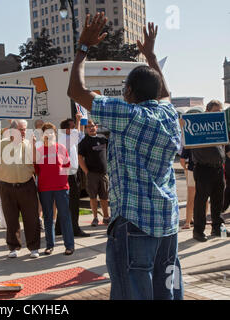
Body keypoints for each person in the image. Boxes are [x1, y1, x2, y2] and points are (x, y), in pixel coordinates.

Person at [68, 14, 183, 299]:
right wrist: (152, 57)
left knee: (133, 290)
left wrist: (83, 48)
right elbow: (164, 92)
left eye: (124, 89)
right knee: (165, 288)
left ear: (129, 92)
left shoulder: (128, 115)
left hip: (134, 223)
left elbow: (76, 91)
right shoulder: (168, 115)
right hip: (166, 222)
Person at [0, 120, 41, 259]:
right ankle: (13, 247)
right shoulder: (1, 144)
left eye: (25, 129)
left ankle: (33, 247)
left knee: (31, 218)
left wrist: (33, 145)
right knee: (11, 219)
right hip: (7, 186)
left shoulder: (29, 144)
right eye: (21, 129)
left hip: (26, 185)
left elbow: (36, 162)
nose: (24, 132)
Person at [191, 100, 230, 242]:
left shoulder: (220, 126)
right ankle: (198, 231)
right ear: (207, 111)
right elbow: (189, 143)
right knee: (201, 201)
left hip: (218, 169)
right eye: (215, 111)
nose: (218, 114)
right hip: (203, 168)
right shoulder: (199, 126)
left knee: (218, 200)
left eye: (220, 111)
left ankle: (217, 227)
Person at [35, 122, 75, 256]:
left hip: (61, 188)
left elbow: (67, 166)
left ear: (55, 133)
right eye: (46, 132)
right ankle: (49, 245)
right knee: (48, 216)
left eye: (51, 132)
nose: (49, 134)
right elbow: (36, 170)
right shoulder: (39, 151)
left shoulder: (61, 148)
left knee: (64, 216)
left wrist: (61, 181)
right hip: (45, 188)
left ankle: (69, 245)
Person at [56, 115, 89, 237]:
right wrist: (79, 120)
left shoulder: (68, 137)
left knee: (65, 201)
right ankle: (75, 228)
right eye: (73, 127)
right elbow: (79, 135)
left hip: (70, 172)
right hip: (68, 174)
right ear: (67, 129)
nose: (75, 128)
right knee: (73, 202)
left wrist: (79, 121)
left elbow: (80, 135)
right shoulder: (64, 138)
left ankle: (59, 228)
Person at [78, 120, 110, 227]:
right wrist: (87, 172)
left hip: (104, 173)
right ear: (86, 129)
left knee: (104, 197)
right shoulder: (84, 142)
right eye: (88, 127)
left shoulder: (103, 139)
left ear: (96, 127)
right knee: (93, 197)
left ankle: (106, 217)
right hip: (92, 174)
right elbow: (80, 158)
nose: (91, 128)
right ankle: (95, 217)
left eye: (92, 126)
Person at [180, 148, 195, 229]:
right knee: (204, 196)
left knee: (190, 196)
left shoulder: (189, 140)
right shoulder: (208, 138)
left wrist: (185, 168)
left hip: (192, 169)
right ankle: (202, 218)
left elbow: (182, 160)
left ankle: (188, 222)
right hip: (206, 169)